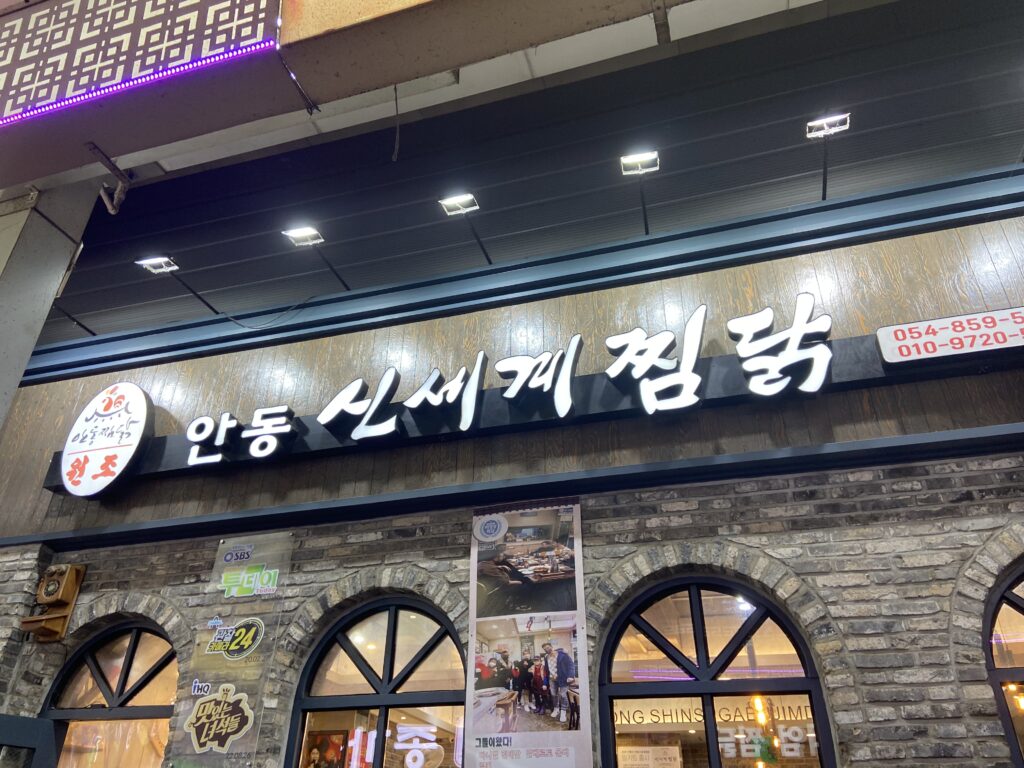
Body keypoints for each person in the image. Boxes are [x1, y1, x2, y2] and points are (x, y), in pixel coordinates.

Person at [552, 647, 576, 724]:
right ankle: (556, 709)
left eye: (555, 651)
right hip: (553, 679)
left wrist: (570, 676)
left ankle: (563, 711)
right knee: (554, 694)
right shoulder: (548, 657)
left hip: (563, 678)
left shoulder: (564, 655)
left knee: (563, 695)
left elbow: (571, 665)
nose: (554, 653)